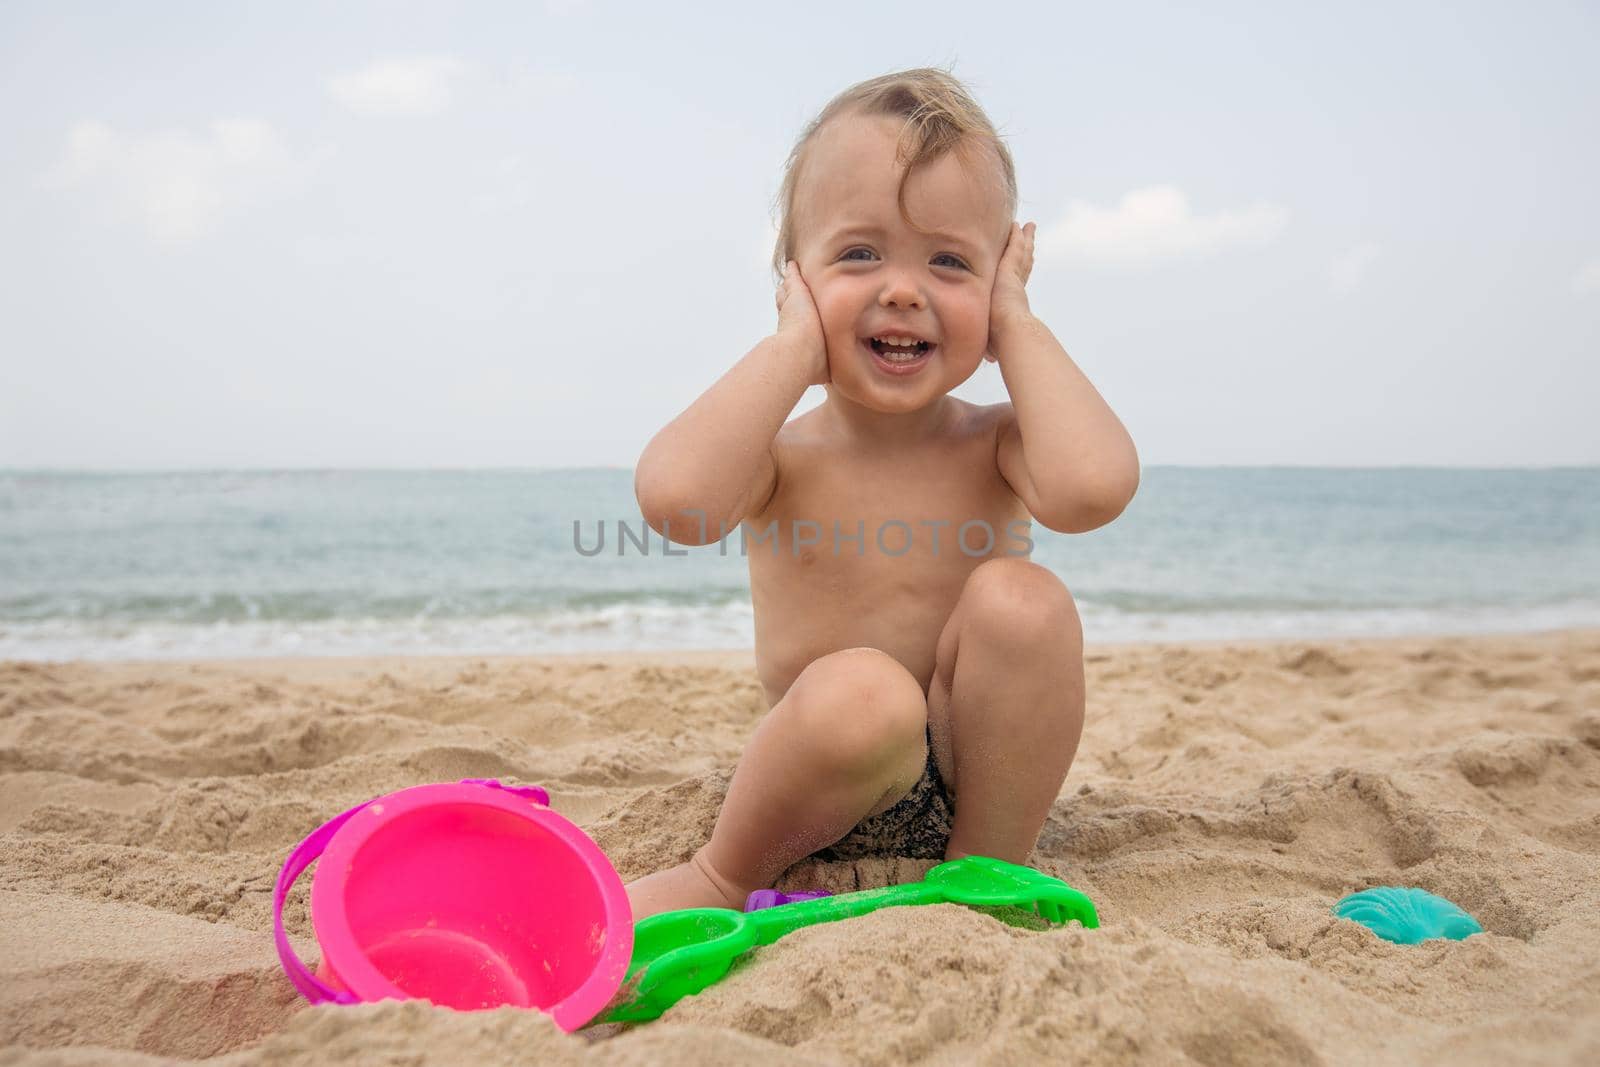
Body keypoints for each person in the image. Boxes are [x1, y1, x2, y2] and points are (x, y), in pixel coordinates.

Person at [626, 68, 1139, 919]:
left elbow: (1095, 488)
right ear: (795, 278)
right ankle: (721, 873)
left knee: (1027, 602)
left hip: (978, 782)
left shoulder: (997, 440)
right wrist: (794, 348)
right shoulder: (780, 456)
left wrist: (1014, 322)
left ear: (997, 281)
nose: (902, 289)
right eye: (859, 254)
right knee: (865, 690)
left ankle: (983, 872)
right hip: (822, 789)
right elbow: (676, 502)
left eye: (949, 262)